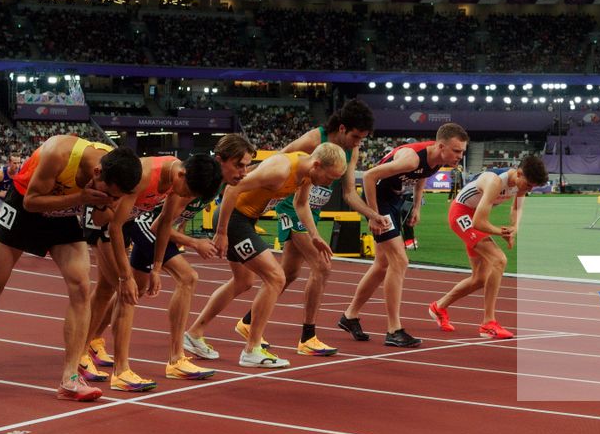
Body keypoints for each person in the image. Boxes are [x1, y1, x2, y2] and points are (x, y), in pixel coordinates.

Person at [0, 135, 142, 400]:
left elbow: (101, 218)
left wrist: (101, 203)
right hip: (25, 207)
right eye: (108, 194)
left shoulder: (118, 169)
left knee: (81, 287)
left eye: (115, 196)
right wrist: (81, 196)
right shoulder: (58, 154)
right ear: (97, 172)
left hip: (64, 215)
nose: (111, 199)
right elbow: (31, 201)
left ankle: (70, 378)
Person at [185, 141, 348, 369]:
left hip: (246, 220)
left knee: (243, 281)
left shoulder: (307, 174)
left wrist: (314, 235)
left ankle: (194, 333)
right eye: (330, 178)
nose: (330, 183)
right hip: (234, 219)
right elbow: (232, 189)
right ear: (317, 165)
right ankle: (252, 350)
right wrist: (221, 232)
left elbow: (301, 204)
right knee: (276, 278)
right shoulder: (281, 170)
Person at [238, 100, 378, 356]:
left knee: (288, 274)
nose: (358, 143)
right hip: (292, 207)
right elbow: (278, 160)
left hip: (311, 211)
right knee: (322, 266)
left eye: (362, 138)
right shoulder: (314, 139)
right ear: (343, 128)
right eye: (356, 137)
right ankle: (308, 336)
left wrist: (372, 215)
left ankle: (248, 322)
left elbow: (349, 193)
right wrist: (243, 178)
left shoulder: (352, 151)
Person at [86, 151, 229, 389]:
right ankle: (120, 372)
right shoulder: (145, 176)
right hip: (104, 222)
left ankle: (86, 347)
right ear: (182, 174)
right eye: (188, 192)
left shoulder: (175, 178)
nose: (186, 197)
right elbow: (114, 227)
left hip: (124, 222)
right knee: (127, 292)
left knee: (105, 290)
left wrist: (157, 267)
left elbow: (163, 223)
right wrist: (125, 276)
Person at [339, 123, 470, 348]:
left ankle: (350, 316)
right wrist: (373, 215)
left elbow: (422, 176)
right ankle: (394, 330)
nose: (460, 156)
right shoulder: (411, 159)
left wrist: (417, 206)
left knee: (382, 264)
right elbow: (369, 176)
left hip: (393, 200)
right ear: (441, 146)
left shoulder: (438, 159)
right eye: (456, 151)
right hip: (379, 198)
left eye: (462, 151)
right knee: (399, 261)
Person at [428, 153, 548, 339]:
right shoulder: (494, 182)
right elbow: (478, 222)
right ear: (519, 173)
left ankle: (439, 307)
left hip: (473, 214)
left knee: (480, 278)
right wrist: (502, 232)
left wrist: (514, 228)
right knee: (499, 260)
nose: (529, 189)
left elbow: (516, 207)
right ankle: (488, 323)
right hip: (461, 214)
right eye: (529, 185)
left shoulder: (520, 183)